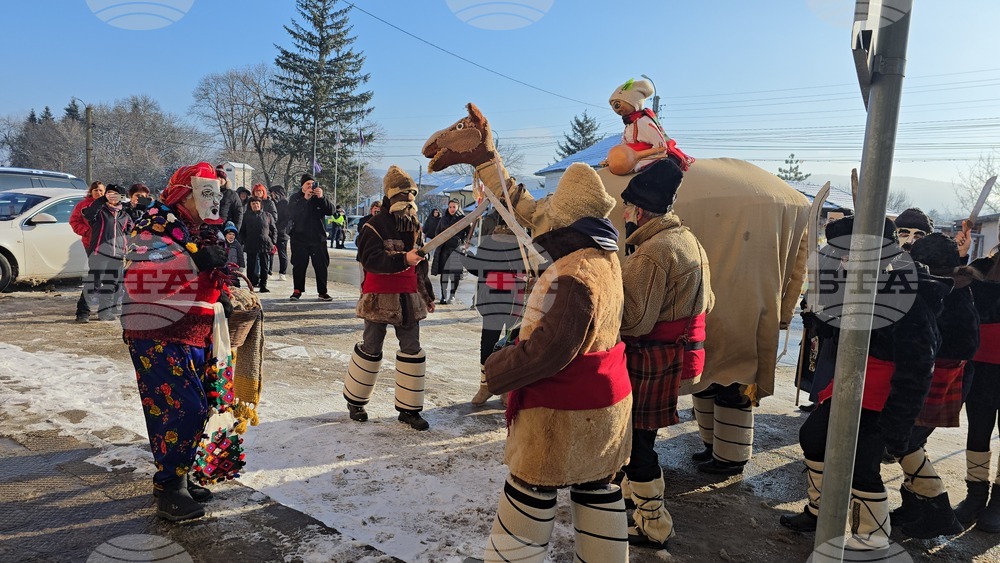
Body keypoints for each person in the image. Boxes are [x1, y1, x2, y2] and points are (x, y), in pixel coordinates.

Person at [480, 163, 632, 562]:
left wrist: (498, 367)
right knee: (596, 489)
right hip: (606, 403)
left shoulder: (575, 271)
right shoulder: (606, 259)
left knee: (531, 490)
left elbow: (552, 349)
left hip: (562, 412)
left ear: (565, 223)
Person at [779, 216, 950, 553]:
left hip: (884, 395)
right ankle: (819, 512)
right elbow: (844, 331)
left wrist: (898, 422)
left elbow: (918, 363)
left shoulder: (907, 288)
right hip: (851, 383)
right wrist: (818, 316)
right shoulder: (860, 280)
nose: (841, 260)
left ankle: (870, 544)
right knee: (812, 436)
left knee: (861, 469)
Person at [120, 161, 231, 522]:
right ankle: (169, 485)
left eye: (218, 193)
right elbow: (140, 276)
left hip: (195, 328)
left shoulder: (201, 228)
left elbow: (209, 268)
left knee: (204, 404)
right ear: (186, 193)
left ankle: (180, 474)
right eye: (206, 192)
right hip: (157, 330)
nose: (213, 201)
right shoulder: (152, 223)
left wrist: (223, 290)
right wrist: (194, 262)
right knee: (184, 407)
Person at [617, 160, 713, 549]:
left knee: (639, 443)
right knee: (642, 438)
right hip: (672, 356)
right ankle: (631, 495)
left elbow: (635, 320)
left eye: (627, 209)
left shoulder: (653, 252)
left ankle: (653, 523)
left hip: (650, 357)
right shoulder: (688, 240)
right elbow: (710, 300)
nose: (624, 216)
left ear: (639, 210)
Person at [889, 233, 977, 539]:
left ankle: (939, 511)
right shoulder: (953, 283)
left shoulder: (950, 290)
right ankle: (914, 508)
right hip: (935, 374)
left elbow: (965, 341)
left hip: (940, 376)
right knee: (912, 442)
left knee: (907, 442)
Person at [342, 166, 436, 431]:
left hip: (408, 296)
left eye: (412, 196)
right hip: (379, 295)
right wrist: (403, 258)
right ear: (391, 196)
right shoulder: (373, 225)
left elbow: (420, 266)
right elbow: (370, 260)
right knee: (371, 348)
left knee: (412, 349)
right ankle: (356, 400)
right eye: (404, 196)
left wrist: (426, 294)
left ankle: (409, 409)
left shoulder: (415, 225)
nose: (408, 201)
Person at [952, 230, 1000, 531]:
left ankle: (999, 501)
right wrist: (959, 255)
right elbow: (954, 288)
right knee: (979, 431)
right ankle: (975, 495)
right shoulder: (983, 265)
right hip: (981, 366)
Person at [463, 212, 527, 406]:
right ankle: (486, 387)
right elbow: (479, 268)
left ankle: (505, 388)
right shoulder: (491, 242)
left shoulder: (523, 245)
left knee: (509, 344)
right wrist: (467, 256)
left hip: (514, 302)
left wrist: (467, 258)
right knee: (491, 345)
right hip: (495, 301)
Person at [82, 184, 133, 321]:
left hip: (117, 255)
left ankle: (105, 313)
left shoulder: (125, 214)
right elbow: (88, 214)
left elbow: (129, 232)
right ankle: (82, 312)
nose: (112, 197)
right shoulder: (99, 211)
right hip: (100, 253)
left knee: (110, 285)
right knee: (94, 283)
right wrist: (100, 201)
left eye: (115, 194)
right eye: (109, 193)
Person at [287, 173, 333, 301]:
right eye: (308, 184)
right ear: (302, 186)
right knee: (299, 265)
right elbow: (292, 213)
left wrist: (322, 197)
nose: (310, 186)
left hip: (318, 238)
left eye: (312, 184)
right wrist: (304, 200)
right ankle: (297, 290)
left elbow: (331, 211)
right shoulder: (295, 198)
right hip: (299, 238)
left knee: (321, 265)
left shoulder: (319, 197)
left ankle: (322, 291)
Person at [70, 181, 105, 322]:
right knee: (96, 277)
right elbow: (74, 221)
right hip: (91, 244)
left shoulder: (110, 205)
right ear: (91, 191)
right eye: (96, 190)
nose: (99, 193)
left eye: (101, 190)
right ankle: (83, 311)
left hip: (111, 246)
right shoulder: (83, 206)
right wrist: (87, 232)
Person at [432, 199, 470, 304]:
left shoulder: (463, 219)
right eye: (450, 207)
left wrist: (465, 242)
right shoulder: (443, 219)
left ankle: (452, 295)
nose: (452, 209)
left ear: (458, 207)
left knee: (455, 274)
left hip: (457, 249)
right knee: (444, 274)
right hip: (444, 249)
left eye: (454, 207)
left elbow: (469, 233)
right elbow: (437, 232)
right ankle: (443, 296)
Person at [240, 196, 277, 293]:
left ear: (260, 205)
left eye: (257, 203)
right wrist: (244, 241)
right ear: (250, 205)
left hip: (265, 244)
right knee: (251, 266)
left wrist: (273, 242)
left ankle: (263, 285)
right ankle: (251, 284)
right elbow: (242, 231)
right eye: (253, 204)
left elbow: (273, 230)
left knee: (264, 266)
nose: (255, 205)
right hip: (251, 244)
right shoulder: (246, 216)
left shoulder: (267, 215)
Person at [271, 185, 290, 281]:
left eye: (273, 193)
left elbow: (287, 219)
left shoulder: (285, 203)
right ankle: (269, 271)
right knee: (270, 252)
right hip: (274, 231)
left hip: (282, 232)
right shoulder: (274, 203)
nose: (272, 195)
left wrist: (279, 228)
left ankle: (283, 272)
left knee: (282, 253)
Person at [216, 166, 243, 231]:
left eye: (222, 178)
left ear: (225, 180)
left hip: (226, 228)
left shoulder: (232, 194)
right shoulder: (209, 193)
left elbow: (238, 212)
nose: (220, 179)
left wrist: (235, 229)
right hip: (210, 227)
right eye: (218, 177)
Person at [223, 222, 245, 288]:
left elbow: (241, 256)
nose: (231, 236)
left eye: (233, 235)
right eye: (229, 234)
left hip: (234, 268)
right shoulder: (222, 244)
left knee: (235, 282)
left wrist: (242, 266)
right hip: (224, 267)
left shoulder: (237, 244)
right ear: (225, 235)